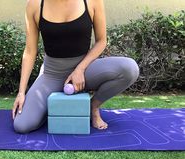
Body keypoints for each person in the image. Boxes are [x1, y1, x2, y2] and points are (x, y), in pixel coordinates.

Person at [12, 0, 140, 133]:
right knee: (22, 125)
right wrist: (21, 92)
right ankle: (55, 105)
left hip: (85, 70)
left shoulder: (92, 1)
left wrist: (80, 69)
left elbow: (101, 41)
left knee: (129, 68)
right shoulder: (35, 4)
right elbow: (30, 51)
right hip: (51, 74)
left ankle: (93, 107)